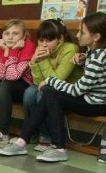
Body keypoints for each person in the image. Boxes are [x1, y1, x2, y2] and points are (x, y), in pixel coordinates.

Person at [0, 12, 106, 163]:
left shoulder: (98, 56)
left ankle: (50, 145)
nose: (78, 35)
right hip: (90, 98)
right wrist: (83, 59)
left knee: (51, 93)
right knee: (47, 93)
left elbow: (77, 90)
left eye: (82, 32)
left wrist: (51, 81)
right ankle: (25, 141)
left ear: (96, 37)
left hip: (97, 103)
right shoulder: (94, 52)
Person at [20, 19, 82, 150]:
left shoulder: (70, 49)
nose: (44, 44)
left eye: (49, 40)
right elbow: (37, 81)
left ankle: (46, 137)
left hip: (67, 89)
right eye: (41, 40)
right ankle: (31, 134)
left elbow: (57, 80)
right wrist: (34, 61)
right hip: (47, 85)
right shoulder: (41, 49)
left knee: (42, 94)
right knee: (29, 92)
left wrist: (43, 60)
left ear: (60, 38)